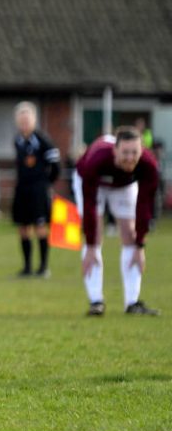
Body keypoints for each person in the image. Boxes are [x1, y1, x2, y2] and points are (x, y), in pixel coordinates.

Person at [73, 126, 160, 316]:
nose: (130, 157)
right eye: (125, 152)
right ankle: (96, 301)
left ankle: (132, 302)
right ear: (115, 150)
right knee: (95, 234)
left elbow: (144, 205)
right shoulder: (97, 159)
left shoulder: (148, 165)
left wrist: (140, 245)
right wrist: (90, 246)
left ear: (142, 150)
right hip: (90, 182)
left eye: (134, 152)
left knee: (130, 234)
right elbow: (89, 206)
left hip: (124, 185)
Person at [11, 102, 60, 277]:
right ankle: (27, 267)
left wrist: (46, 184)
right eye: (21, 120)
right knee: (23, 228)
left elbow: (55, 165)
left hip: (39, 190)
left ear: (34, 120)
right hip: (22, 189)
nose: (24, 123)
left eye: (27, 119)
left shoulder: (43, 140)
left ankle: (43, 267)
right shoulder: (17, 140)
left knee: (40, 227)